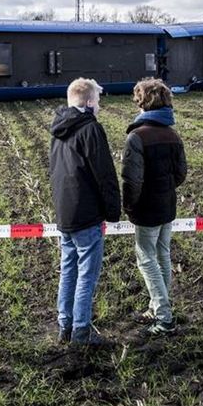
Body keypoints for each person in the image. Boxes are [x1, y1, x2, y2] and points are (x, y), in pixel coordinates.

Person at [49, 78, 121, 346]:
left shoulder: (58, 130)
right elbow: (104, 174)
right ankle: (81, 332)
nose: (100, 106)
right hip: (87, 213)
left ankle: (64, 326)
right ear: (89, 102)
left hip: (65, 213)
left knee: (68, 270)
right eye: (98, 102)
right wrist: (113, 210)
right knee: (86, 275)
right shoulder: (91, 129)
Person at [121, 79, 187, 336]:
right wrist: (165, 189)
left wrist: (129, 206)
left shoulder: (136, 136)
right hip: (167, 205)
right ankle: (157, 306)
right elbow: (181, 173)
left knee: (146, 260)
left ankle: (164, 317)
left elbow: (131, 179)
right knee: (163, 255)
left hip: (146, 210)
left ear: (141, 102)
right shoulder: (172, 135)